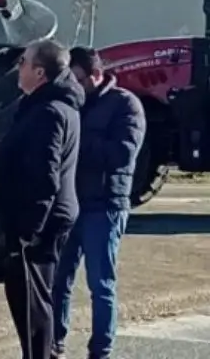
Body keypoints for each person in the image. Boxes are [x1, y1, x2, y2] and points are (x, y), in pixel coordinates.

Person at [51, 47, 146, 359]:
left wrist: (77, 143)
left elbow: (123, 153)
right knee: (58, 280)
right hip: (71, 203)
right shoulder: (73, 103)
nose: (74, 86)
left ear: (96, 75)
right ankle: (54, 342)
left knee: (101, 284)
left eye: (79, 80)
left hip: (105, 205)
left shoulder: (125, 104)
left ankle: (101, 350)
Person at [0, 39, 83, 359]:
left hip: (38, 222)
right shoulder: (44, 105)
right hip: (40, 217)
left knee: (32, 299)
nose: (19, 67)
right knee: (31, 297)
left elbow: (45, 176)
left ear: (40, 72)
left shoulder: (49, 112)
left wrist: (29, 230)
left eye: (24, 63)